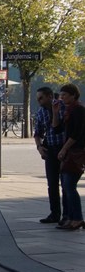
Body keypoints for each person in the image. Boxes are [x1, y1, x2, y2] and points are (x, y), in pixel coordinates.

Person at [52, 84, 85, 230]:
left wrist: (64, 149)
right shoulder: (68, 110)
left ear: (73, 95)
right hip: (70, 152)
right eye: (61, 95)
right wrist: (55, 112)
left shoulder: (78, 110)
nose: (62, 97)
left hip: (76, 152)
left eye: (64, 94)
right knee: (67, 186)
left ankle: (77, 218)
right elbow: (57, 128)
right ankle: (72, 217)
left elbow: (76, 134)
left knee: (69, 186)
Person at [34, 87, 66, 224]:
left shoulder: (62, 107)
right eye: (37, 98)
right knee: (52, 183)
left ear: (49, 96)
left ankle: (68, 215)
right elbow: (38, 132)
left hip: (63, 148)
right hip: (50, 149)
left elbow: (61, 127)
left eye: (41, 98)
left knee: (66, 184)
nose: (39, 101)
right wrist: (39, 147)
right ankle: (55, 213)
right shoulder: (41, 111)